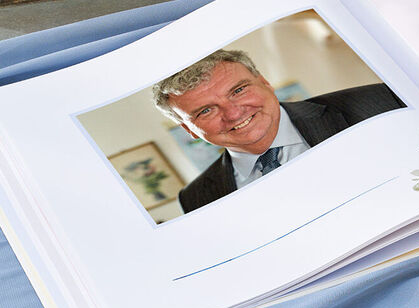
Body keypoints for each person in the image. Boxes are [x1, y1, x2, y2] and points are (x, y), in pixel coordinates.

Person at [152, 49, 405, 213]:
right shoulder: (196, 199)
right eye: (206, 110)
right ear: (189, 129)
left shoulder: (380, 102)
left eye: (238, 90)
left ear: (265, 82)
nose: (233, 113)